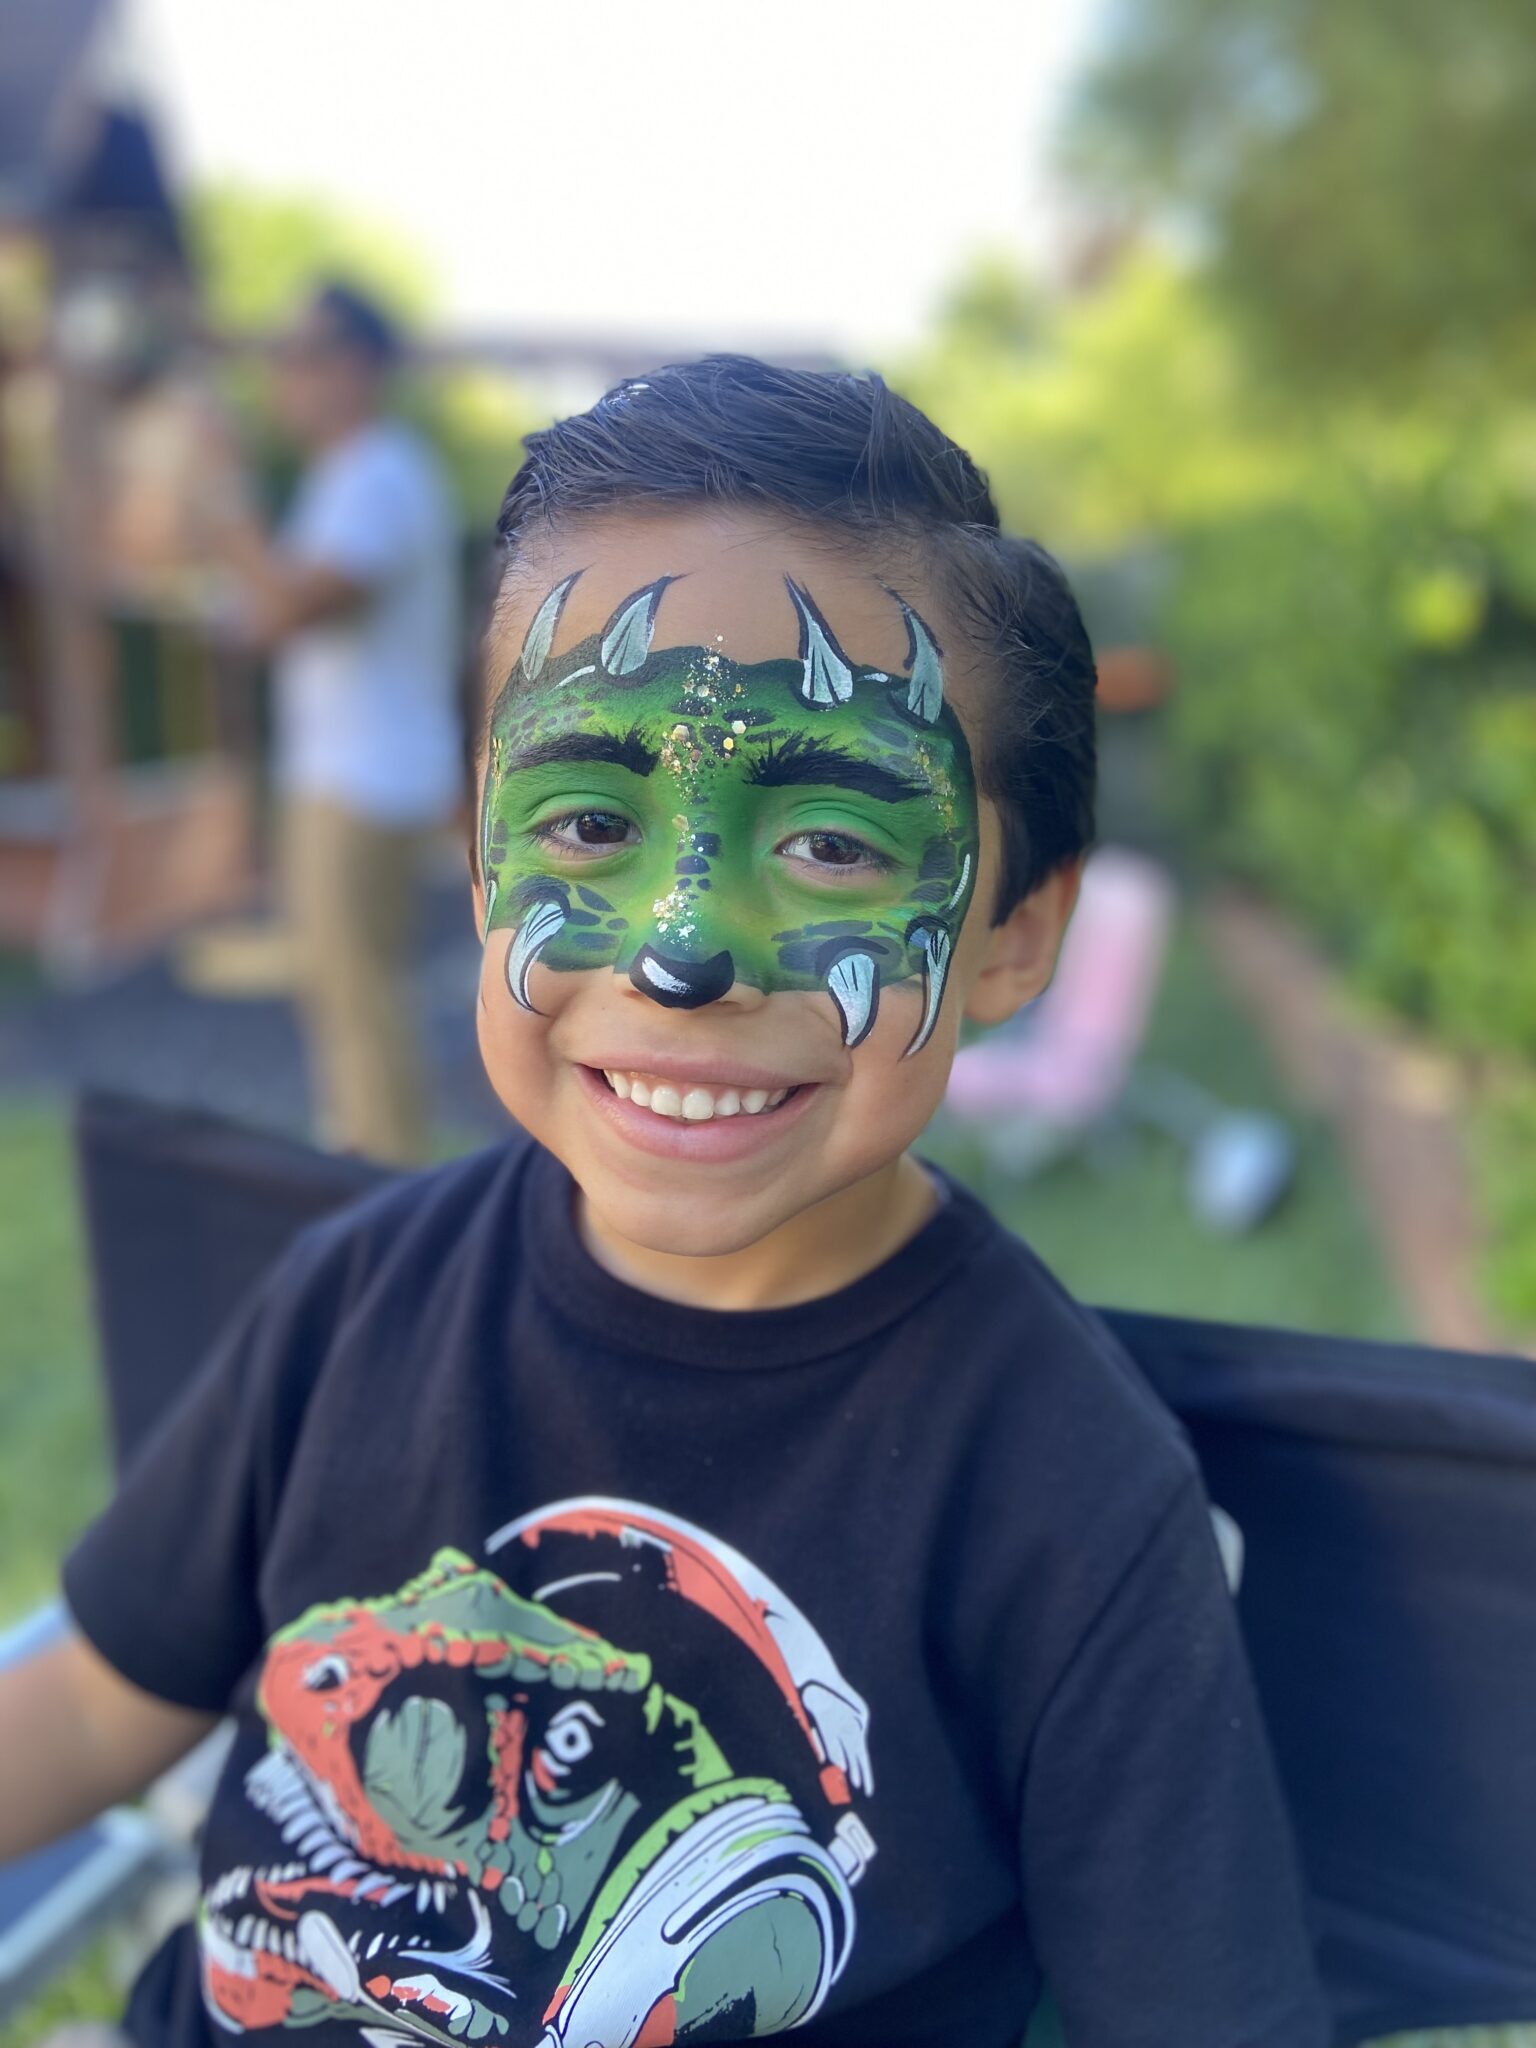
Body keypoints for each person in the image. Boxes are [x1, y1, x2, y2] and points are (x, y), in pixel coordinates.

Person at [0, 359, 1328, 2047]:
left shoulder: (1068, 1492)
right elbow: (94, 1701)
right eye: (584, 817)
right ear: (479, 860)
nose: (681, 952)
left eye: (834, 843)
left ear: (1012, 935)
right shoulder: (352, 1298)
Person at [219, 281, 462, 1163]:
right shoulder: (348, 477)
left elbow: (294, 608)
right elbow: (261, 619)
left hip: (367, 781)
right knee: (345, 996)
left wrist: (224, 511)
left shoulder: (380, 473)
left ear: (356, 366)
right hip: (348, 775)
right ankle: (365, 1169)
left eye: (300, 355)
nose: (282, 376)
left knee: (359, 999)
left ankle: (383, 1188)